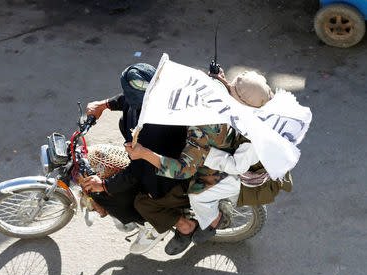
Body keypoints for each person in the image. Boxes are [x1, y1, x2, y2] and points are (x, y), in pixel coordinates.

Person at [125, 70, 275, 255]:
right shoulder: (217, 89)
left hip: (227, 166)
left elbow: (183, 169)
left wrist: (146, 154)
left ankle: (214, 220)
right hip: (221, 151)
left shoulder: (210, 126)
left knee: (196, 196)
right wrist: (218, 79)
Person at [81, 63, 189, 254]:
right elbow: (127, 99)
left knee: (137, 202)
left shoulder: (152, 126)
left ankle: (182, 225)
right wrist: (105, 104)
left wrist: (104, 185)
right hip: (146, 158)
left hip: (165, 174)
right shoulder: (156, 94)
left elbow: (137, 172)